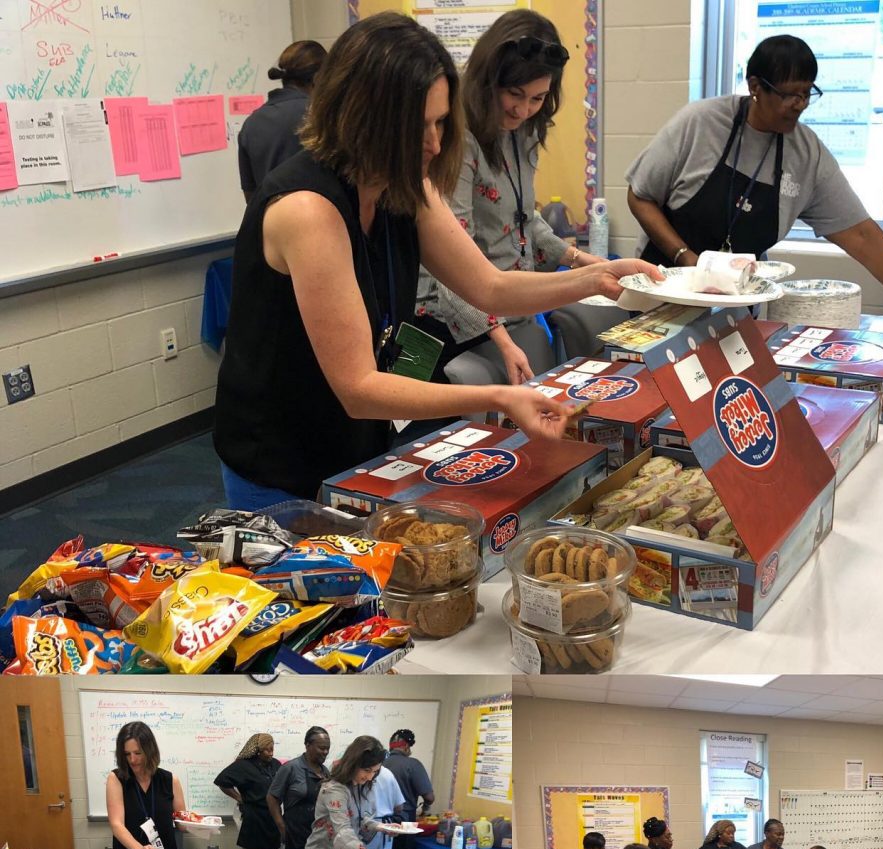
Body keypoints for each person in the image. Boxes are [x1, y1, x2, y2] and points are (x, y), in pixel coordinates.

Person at [213, 12, 661, 510]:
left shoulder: (401, 183)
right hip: (280, 463)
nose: (434, 143)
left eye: (441, 122)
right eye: (416, 127)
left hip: (355, 446)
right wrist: (497, 397)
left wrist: (595, 277)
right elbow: (358, 388)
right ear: (363, 118)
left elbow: (489, 286)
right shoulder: (307, 209)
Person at [626, 34, 883, 341]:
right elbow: (640, 195)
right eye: (789, 94)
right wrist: (687, 260)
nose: (800, 105)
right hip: (659, 299)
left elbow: (863, 237)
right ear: (755, 87)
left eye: (808, 93)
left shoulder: (806, 156)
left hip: (731, 312)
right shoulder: (701, 123)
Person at [415, 10, 606, 389]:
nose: (523, 109)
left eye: (538, 98)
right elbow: (453, 251)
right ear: (490, 82)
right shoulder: (458, 138)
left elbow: (523, 216)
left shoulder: (521, 132)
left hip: (503, 303)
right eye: (514, 94)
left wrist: (579, 259)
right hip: (445, 317)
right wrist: (501, 339)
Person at [238, 40, 327, 202]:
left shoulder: (251, 123)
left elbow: (250, 196)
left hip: (268, 222)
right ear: (318, 77)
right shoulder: (320, 117)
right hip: (318, 220)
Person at [304, 735, 394, 849]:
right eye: (367, 770)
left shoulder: (356, 785)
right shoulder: (334, 789)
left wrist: (382, 827)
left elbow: (359, 819)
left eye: (375, 771)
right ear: (353, 764)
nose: (370, 777)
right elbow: (343, 830)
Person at [105, 721, 184, 849]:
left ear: (150, 751)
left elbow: (182, 823)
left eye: (138, 753)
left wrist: (201, 828)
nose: (132, 760)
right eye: (127, 754)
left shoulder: (170, 780)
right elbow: (116, 824)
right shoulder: (116, 779)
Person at [214, 732, 282, 849]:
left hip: (272, 821)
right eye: (267, 750)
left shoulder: (276, 764)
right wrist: (239, 798)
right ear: (257, 751)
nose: (271, 753)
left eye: (272, 749)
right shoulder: (243, 766)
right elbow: (222, 781)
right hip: (253, 821)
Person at [267, 726, 330, 849]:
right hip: (295, 834)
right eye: (321, 748)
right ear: (308, 745)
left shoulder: (326, 772)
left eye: (327, 748)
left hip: (319, 836)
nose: (325, 752)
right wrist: (281, 826)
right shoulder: (291, 768)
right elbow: (272, 798)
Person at [383, 728, 434, 849]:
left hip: (380, 822)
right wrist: (425, 809)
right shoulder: (413, 764)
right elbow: (429, 797)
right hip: (405, 824)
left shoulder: (379, 764)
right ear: (406, 746)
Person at [365, 763, 406, 849]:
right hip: (382, 830)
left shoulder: (360, 774)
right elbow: (399, 807)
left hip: (375, 829)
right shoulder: (388, 773)